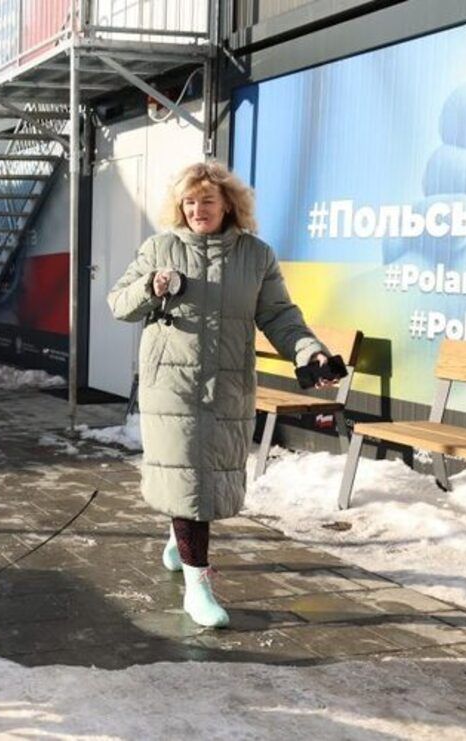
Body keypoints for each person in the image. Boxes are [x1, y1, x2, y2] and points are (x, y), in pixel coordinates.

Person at [107, 161, 335, 629]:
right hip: (170, 382)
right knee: (187, 476)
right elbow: (118, 304)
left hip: (227, 384)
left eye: (207, 200)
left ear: (229, 204)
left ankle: (179, 540)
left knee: (201, 481)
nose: (197, 210)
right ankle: (197, 586)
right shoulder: (161, 247)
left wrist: (309, 352)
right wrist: (151, 288)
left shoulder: (256, 255)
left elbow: (280, 316)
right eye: (189, 202)